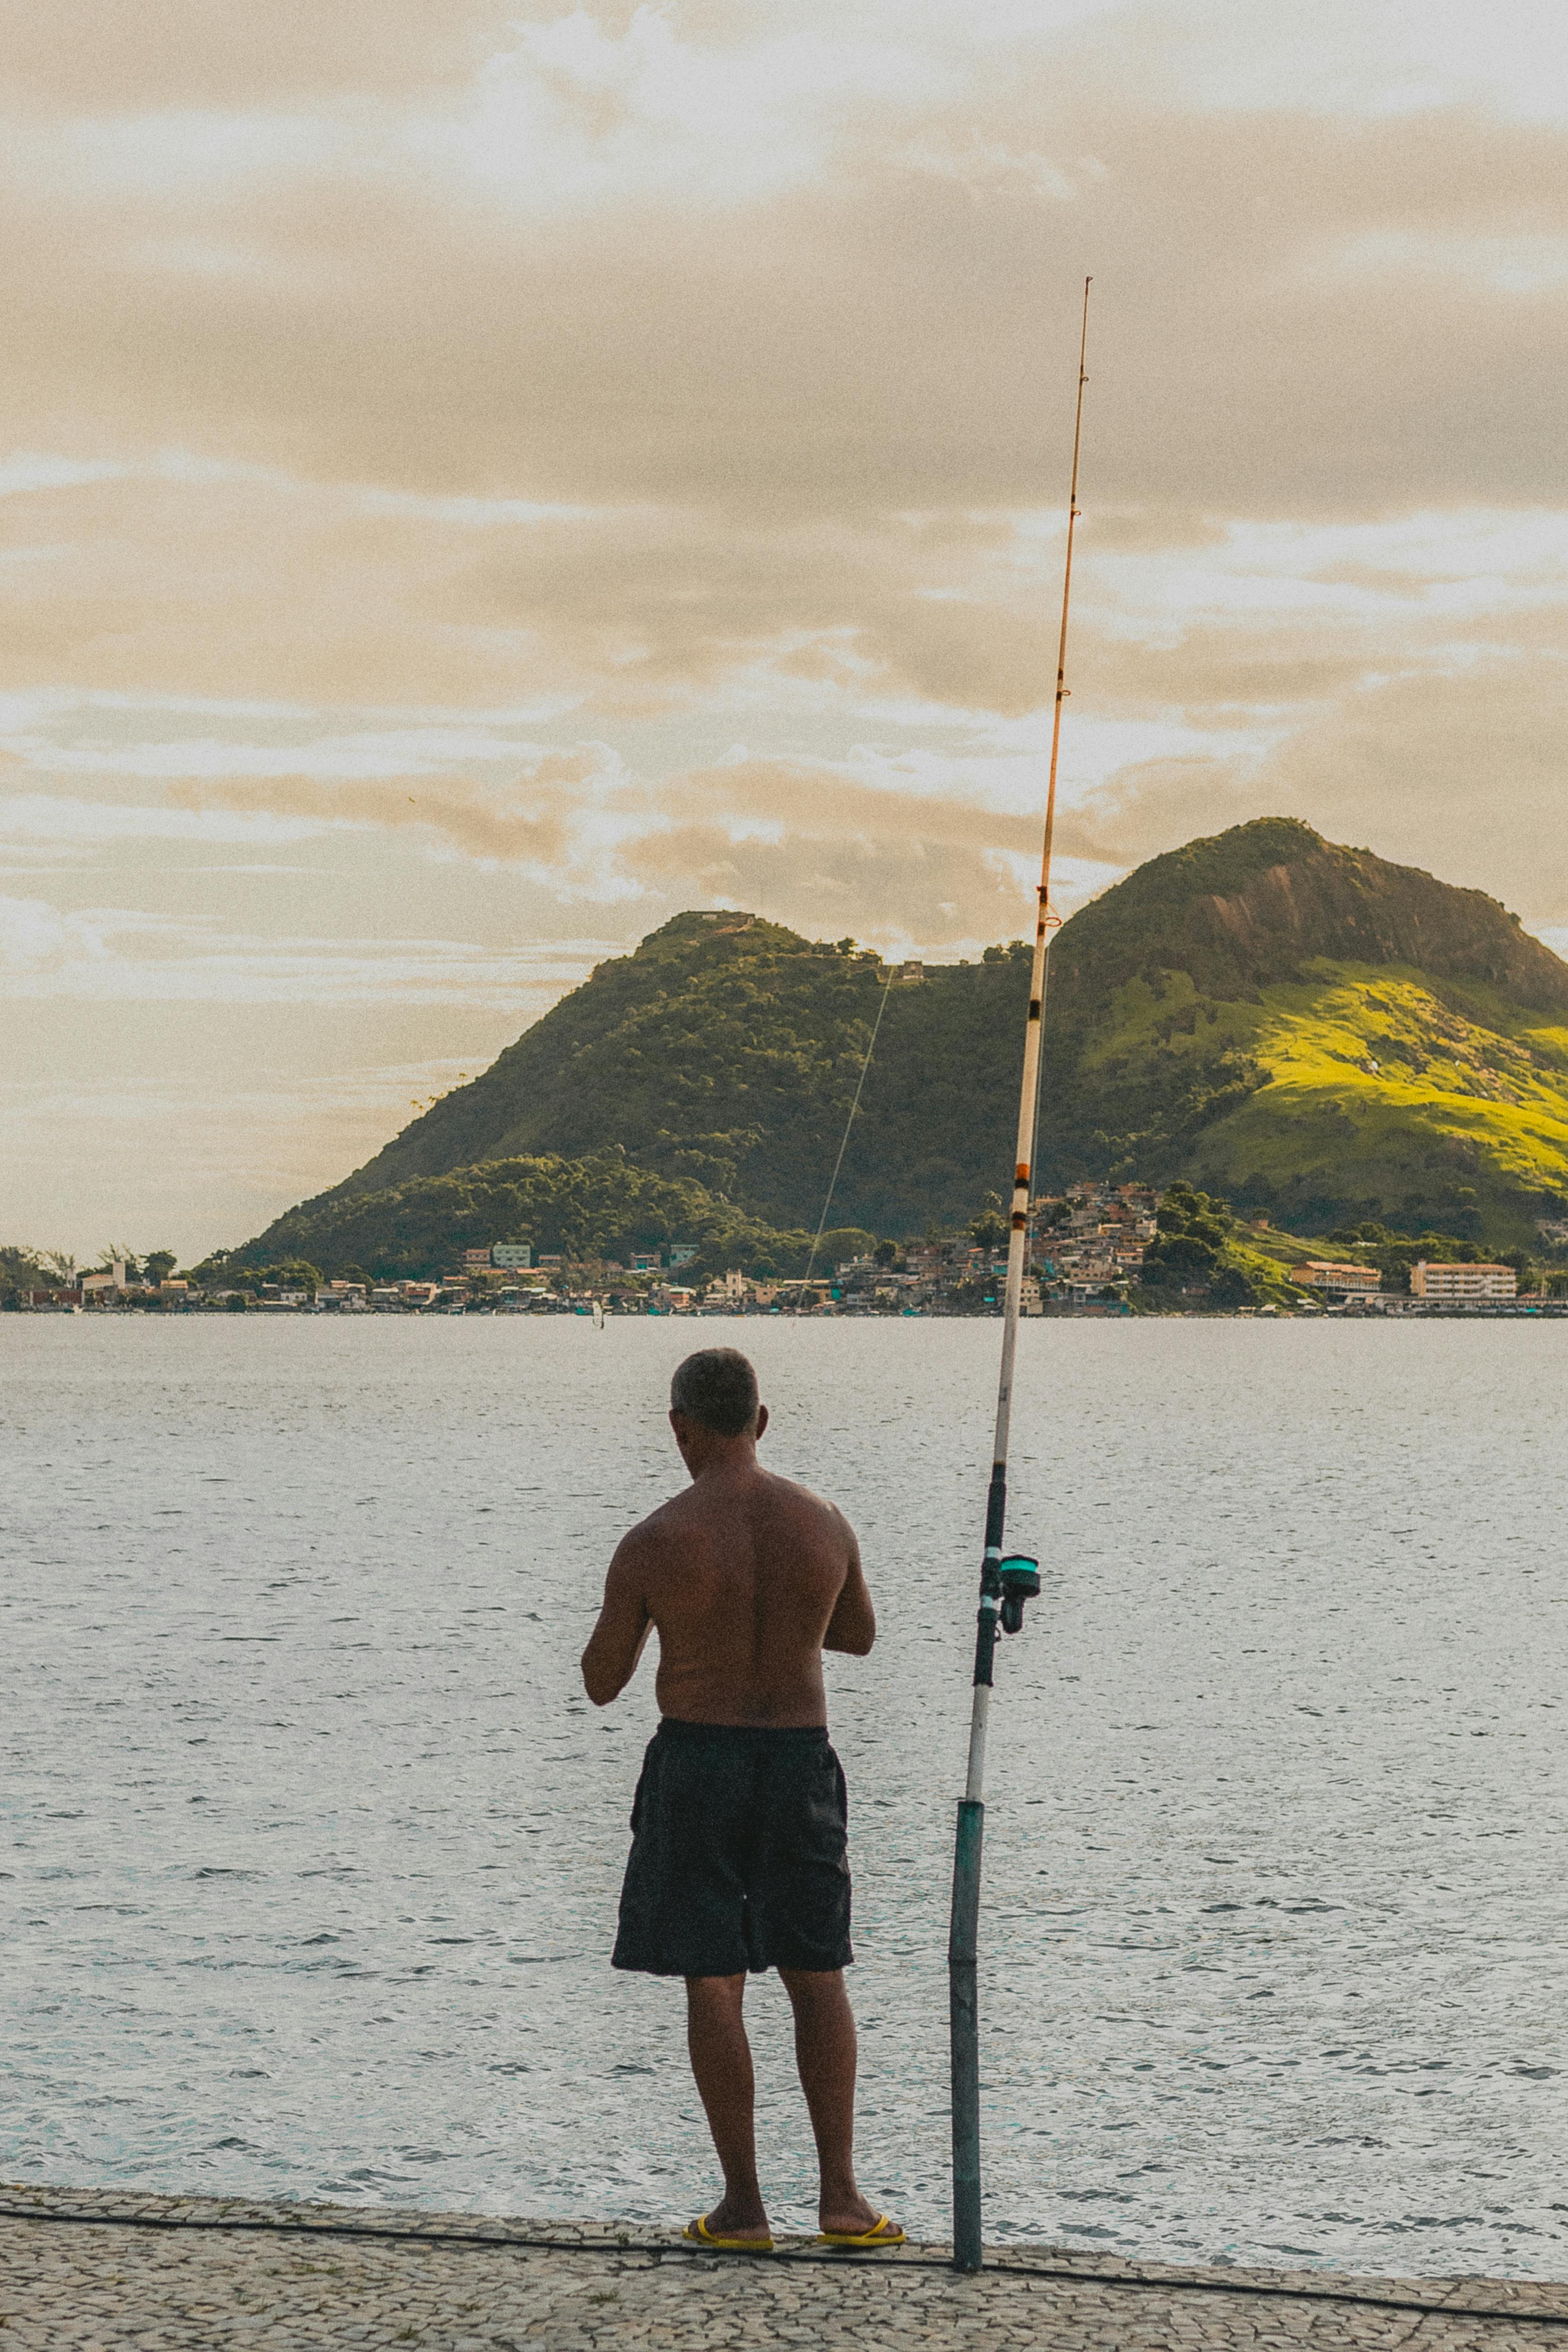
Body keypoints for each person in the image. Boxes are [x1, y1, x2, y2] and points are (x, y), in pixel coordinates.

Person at [581, 1345, 904, 2255]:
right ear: (761, 1422)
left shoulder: (653, 1540)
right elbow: (860, 1636)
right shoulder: (824, 1521)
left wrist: (657, 1618)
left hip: (698, 1765)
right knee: (816, 1973)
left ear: (679, 1425)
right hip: (799, 1761)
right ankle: (842, 2200)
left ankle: (743, 2208)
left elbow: (604, 1682)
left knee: (715, 1982)